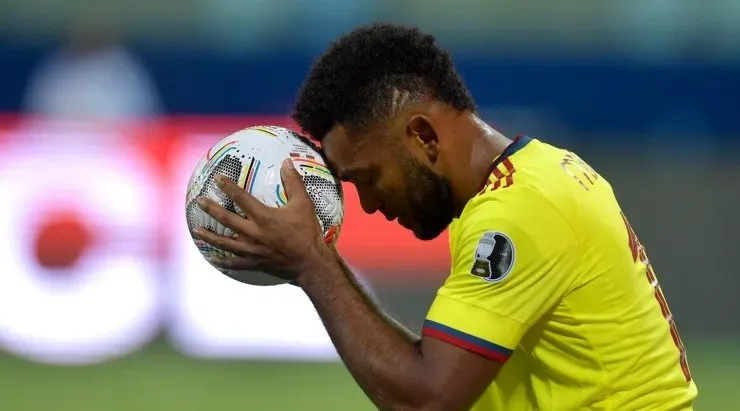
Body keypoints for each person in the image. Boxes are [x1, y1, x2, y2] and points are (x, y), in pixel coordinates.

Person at [192, 23, 698, 411]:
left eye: (368, 177)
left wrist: (312, 264)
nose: (367, 204)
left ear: (424, 137)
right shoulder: (533, 176)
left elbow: (428, 398)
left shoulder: (519, 213)